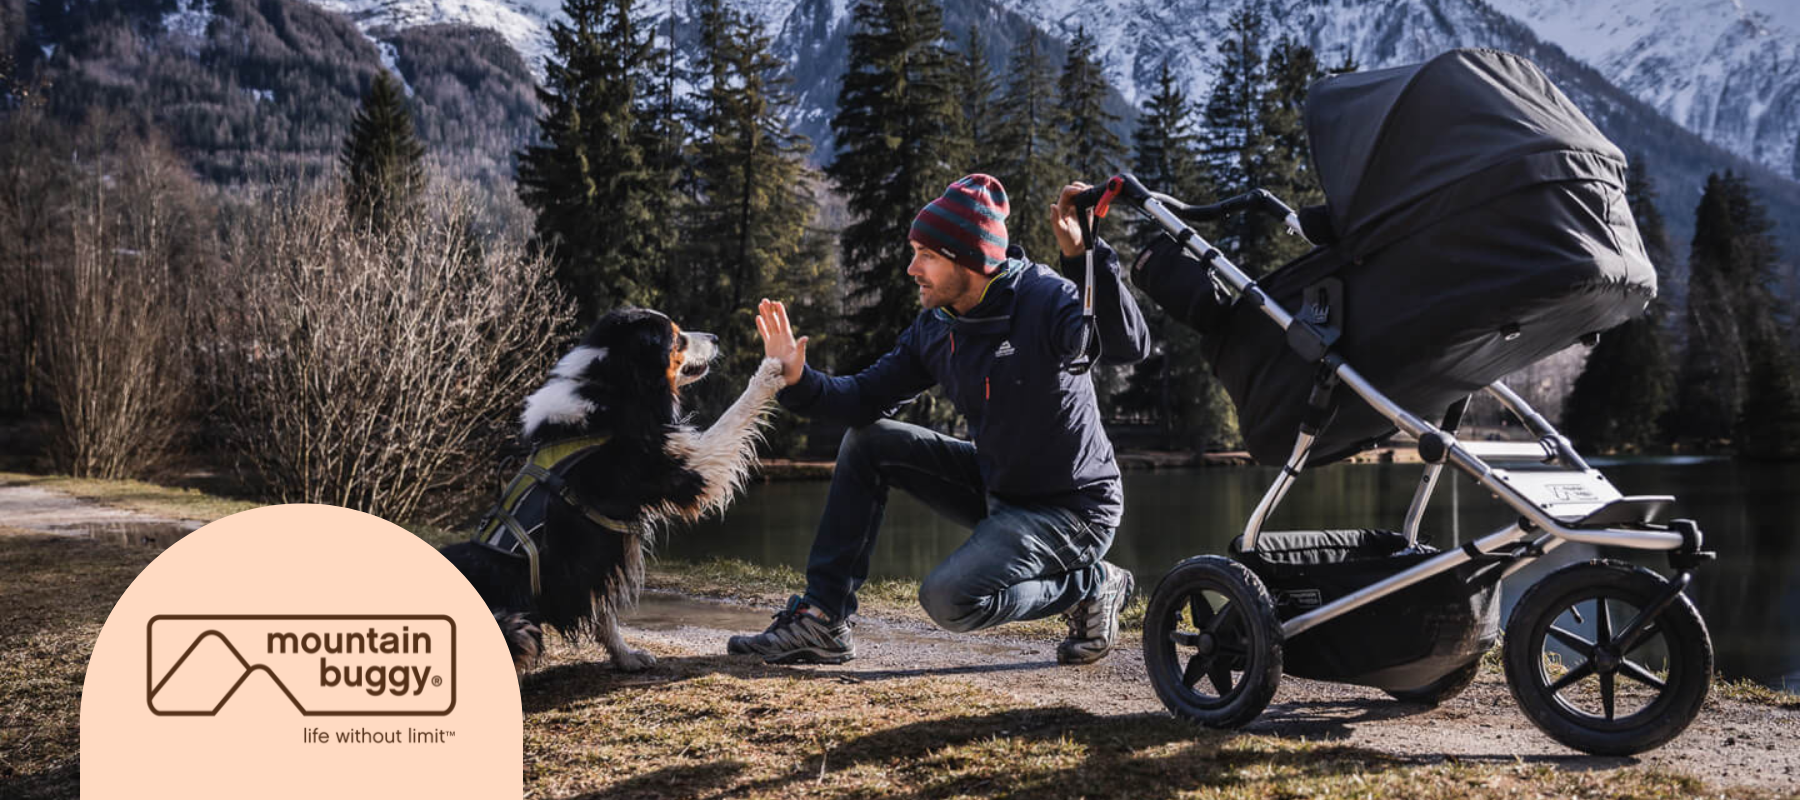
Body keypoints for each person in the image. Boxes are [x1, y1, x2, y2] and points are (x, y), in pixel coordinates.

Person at [727, 174, 1149, 665]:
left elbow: (1126, 346)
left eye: (926, 254)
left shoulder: (1043, 297)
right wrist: (798, 380)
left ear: (967, 258)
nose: (912, 269)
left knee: (949, 599)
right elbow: (864, 399)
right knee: (869, 442)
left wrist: (1084, 259)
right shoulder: (937, 327)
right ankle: (824, 618)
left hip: (1076, 507)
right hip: (1001, 487)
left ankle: (1093, 584)